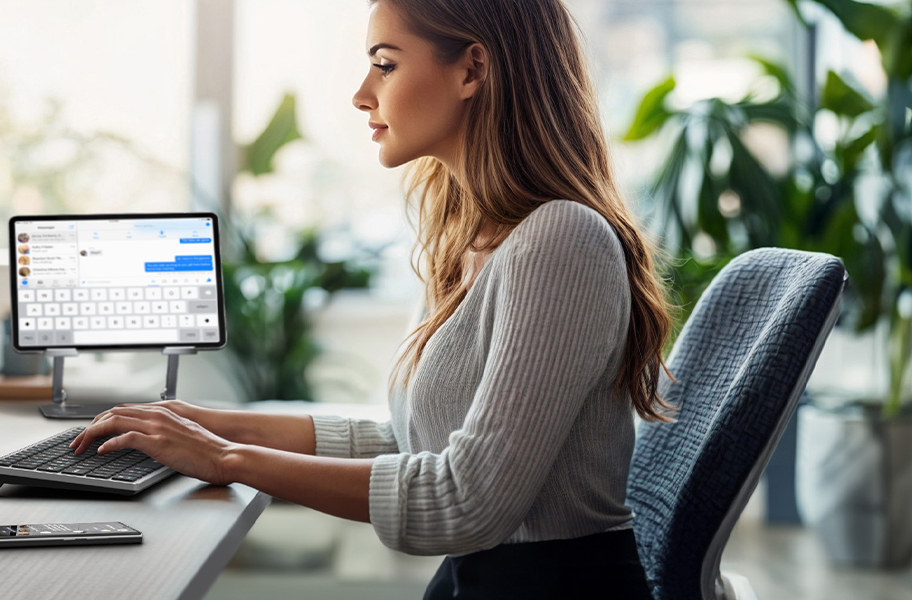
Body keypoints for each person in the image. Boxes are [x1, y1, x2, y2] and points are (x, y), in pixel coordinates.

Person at [70, 1, 666, 598]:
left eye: (385, 64)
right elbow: (415, 440)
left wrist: (227, 459)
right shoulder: (467, 239)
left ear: (472, 70)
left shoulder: (563, 240)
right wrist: (205, 424)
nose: (361, 94)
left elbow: (466, 501)